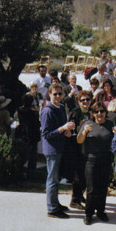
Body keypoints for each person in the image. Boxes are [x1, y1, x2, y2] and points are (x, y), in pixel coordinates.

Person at [41, 83, 75, 219]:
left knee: (56, 178)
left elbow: (60, 127)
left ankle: (55, 203)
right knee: (52, 179)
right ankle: (52, 209)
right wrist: (62, 129)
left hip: (60, 147)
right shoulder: (47, 111)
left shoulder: (61, 107)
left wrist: (66, 131)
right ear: (49, 94)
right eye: (54, 94)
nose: (57, 96)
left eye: (60, 94)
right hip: (52, 150)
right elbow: (46, 134)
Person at [77, 102, 113, 225]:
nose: (99, 114)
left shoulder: (110, 124)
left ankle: (101, 211)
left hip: (106, 160)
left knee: (103, 188)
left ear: (105, 113)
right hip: (91, 161)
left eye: (102, 111)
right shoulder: (88, 124)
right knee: (91, 189)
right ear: (92, 113)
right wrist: (84, 132)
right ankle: (88, 214)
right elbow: (79, 140)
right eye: (96, 112)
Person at [66, 90, 92, 210]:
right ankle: (74, 200)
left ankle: (80, 195)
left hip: (89, 149)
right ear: (78, 101)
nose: (85, 102)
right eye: (82, 100)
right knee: (78, 176)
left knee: (86, 176)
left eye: (87, 99)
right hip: (76, 149)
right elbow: (69, 131)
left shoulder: (92, 112)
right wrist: (78, 127)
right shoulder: (75, 113)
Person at [17, 93, 41, 177]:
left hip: (23, 132)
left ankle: (20, 170)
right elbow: (37, 123)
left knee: (23, 152)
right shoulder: (34, 112)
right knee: (32, 154)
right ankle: (31, 172)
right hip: (32, 134)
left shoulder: (20, 109)